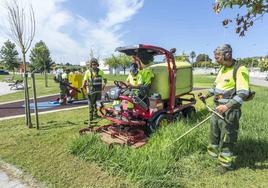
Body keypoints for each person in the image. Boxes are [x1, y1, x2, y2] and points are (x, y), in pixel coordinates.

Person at [200, 44, 250, 172]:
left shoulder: (240, 69)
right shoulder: (221, 69)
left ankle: (225, 165)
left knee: (227, 137)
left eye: (218, 56)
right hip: (217, 109)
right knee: (214, 134)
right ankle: (212, 156)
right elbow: (215, 88)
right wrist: (205, 96)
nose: (215, 59)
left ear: (227, 55)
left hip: (230, 111)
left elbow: (243, 93)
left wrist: (227, 106)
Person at [82, 58, 107, 124]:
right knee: (91, 104)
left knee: (97, 103)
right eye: (93, 64)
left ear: (97, 64)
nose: (94, 65)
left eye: (95, 64)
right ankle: (91, 117)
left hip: (98, 91)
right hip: (91, 91)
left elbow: (105, 80)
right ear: (91, 65)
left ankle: (96, 114)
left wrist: (103, 87)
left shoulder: (100, 71)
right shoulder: (88, 72)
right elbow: (84, 81)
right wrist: (84, 89)